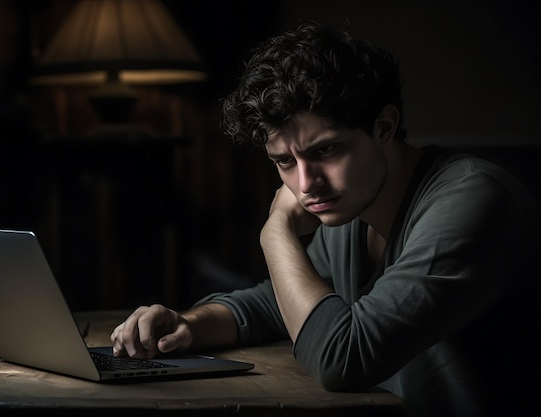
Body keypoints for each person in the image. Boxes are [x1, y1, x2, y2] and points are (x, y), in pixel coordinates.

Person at [111, 21, 540, 417]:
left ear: (385, 126)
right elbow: (279, 303)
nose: (306, 183)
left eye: (325, 151)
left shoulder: (473, 201)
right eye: (283, 161)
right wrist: (190, 324)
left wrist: (275, 230)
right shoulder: (352, 207)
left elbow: (343, 359)